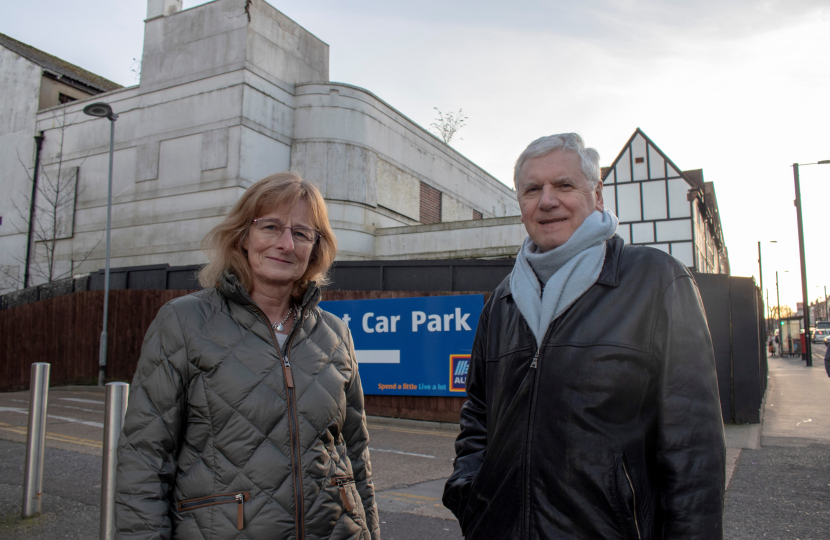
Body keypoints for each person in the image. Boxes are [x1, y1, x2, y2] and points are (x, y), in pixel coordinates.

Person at [443, 133, 726, 539]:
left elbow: (693, 450)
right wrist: (469, 493)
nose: (547, 200)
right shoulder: (502, 301)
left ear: (597, 195)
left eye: (564, 185)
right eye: (532, 189)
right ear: (521, 204)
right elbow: (477, 413)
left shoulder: (655, 280)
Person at [115, 173, 380, 540]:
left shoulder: (335, 334)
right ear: (243, 236)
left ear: (315, 249)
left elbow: (356, 455)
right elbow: (143, 459)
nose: (286, 244)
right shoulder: (183, 322)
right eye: (271, 226)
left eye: (302, 233)